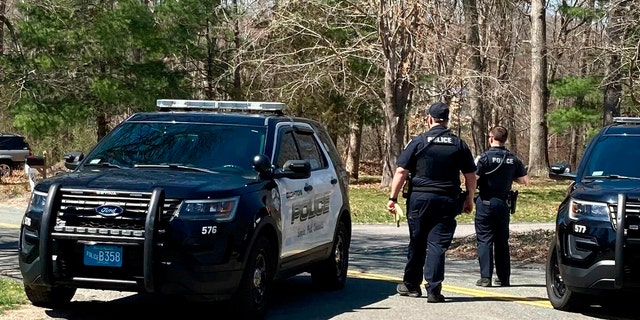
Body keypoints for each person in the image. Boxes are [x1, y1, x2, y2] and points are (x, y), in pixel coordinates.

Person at [386, 101, 477, 303]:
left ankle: (411, 286)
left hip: (420, 199)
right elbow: (471, 175)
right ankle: (434, 290)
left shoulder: (418, 142)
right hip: (447, 199)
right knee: (437, 245)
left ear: (429, 119)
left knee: (417, 242)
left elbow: (401, 171)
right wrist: (469, 199)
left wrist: (392, 198)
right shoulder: (459, 144)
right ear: (447, 120)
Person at [474, 126, 529, 287]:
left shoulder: (483, 158)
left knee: (484, 240)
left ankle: (485, 277)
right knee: (502, 241)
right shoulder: (513, 158)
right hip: (504, 203)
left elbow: (473, 178)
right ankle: (504, 278)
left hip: (485, 202)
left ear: (491, 138)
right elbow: (524, 180)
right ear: (505, 139)